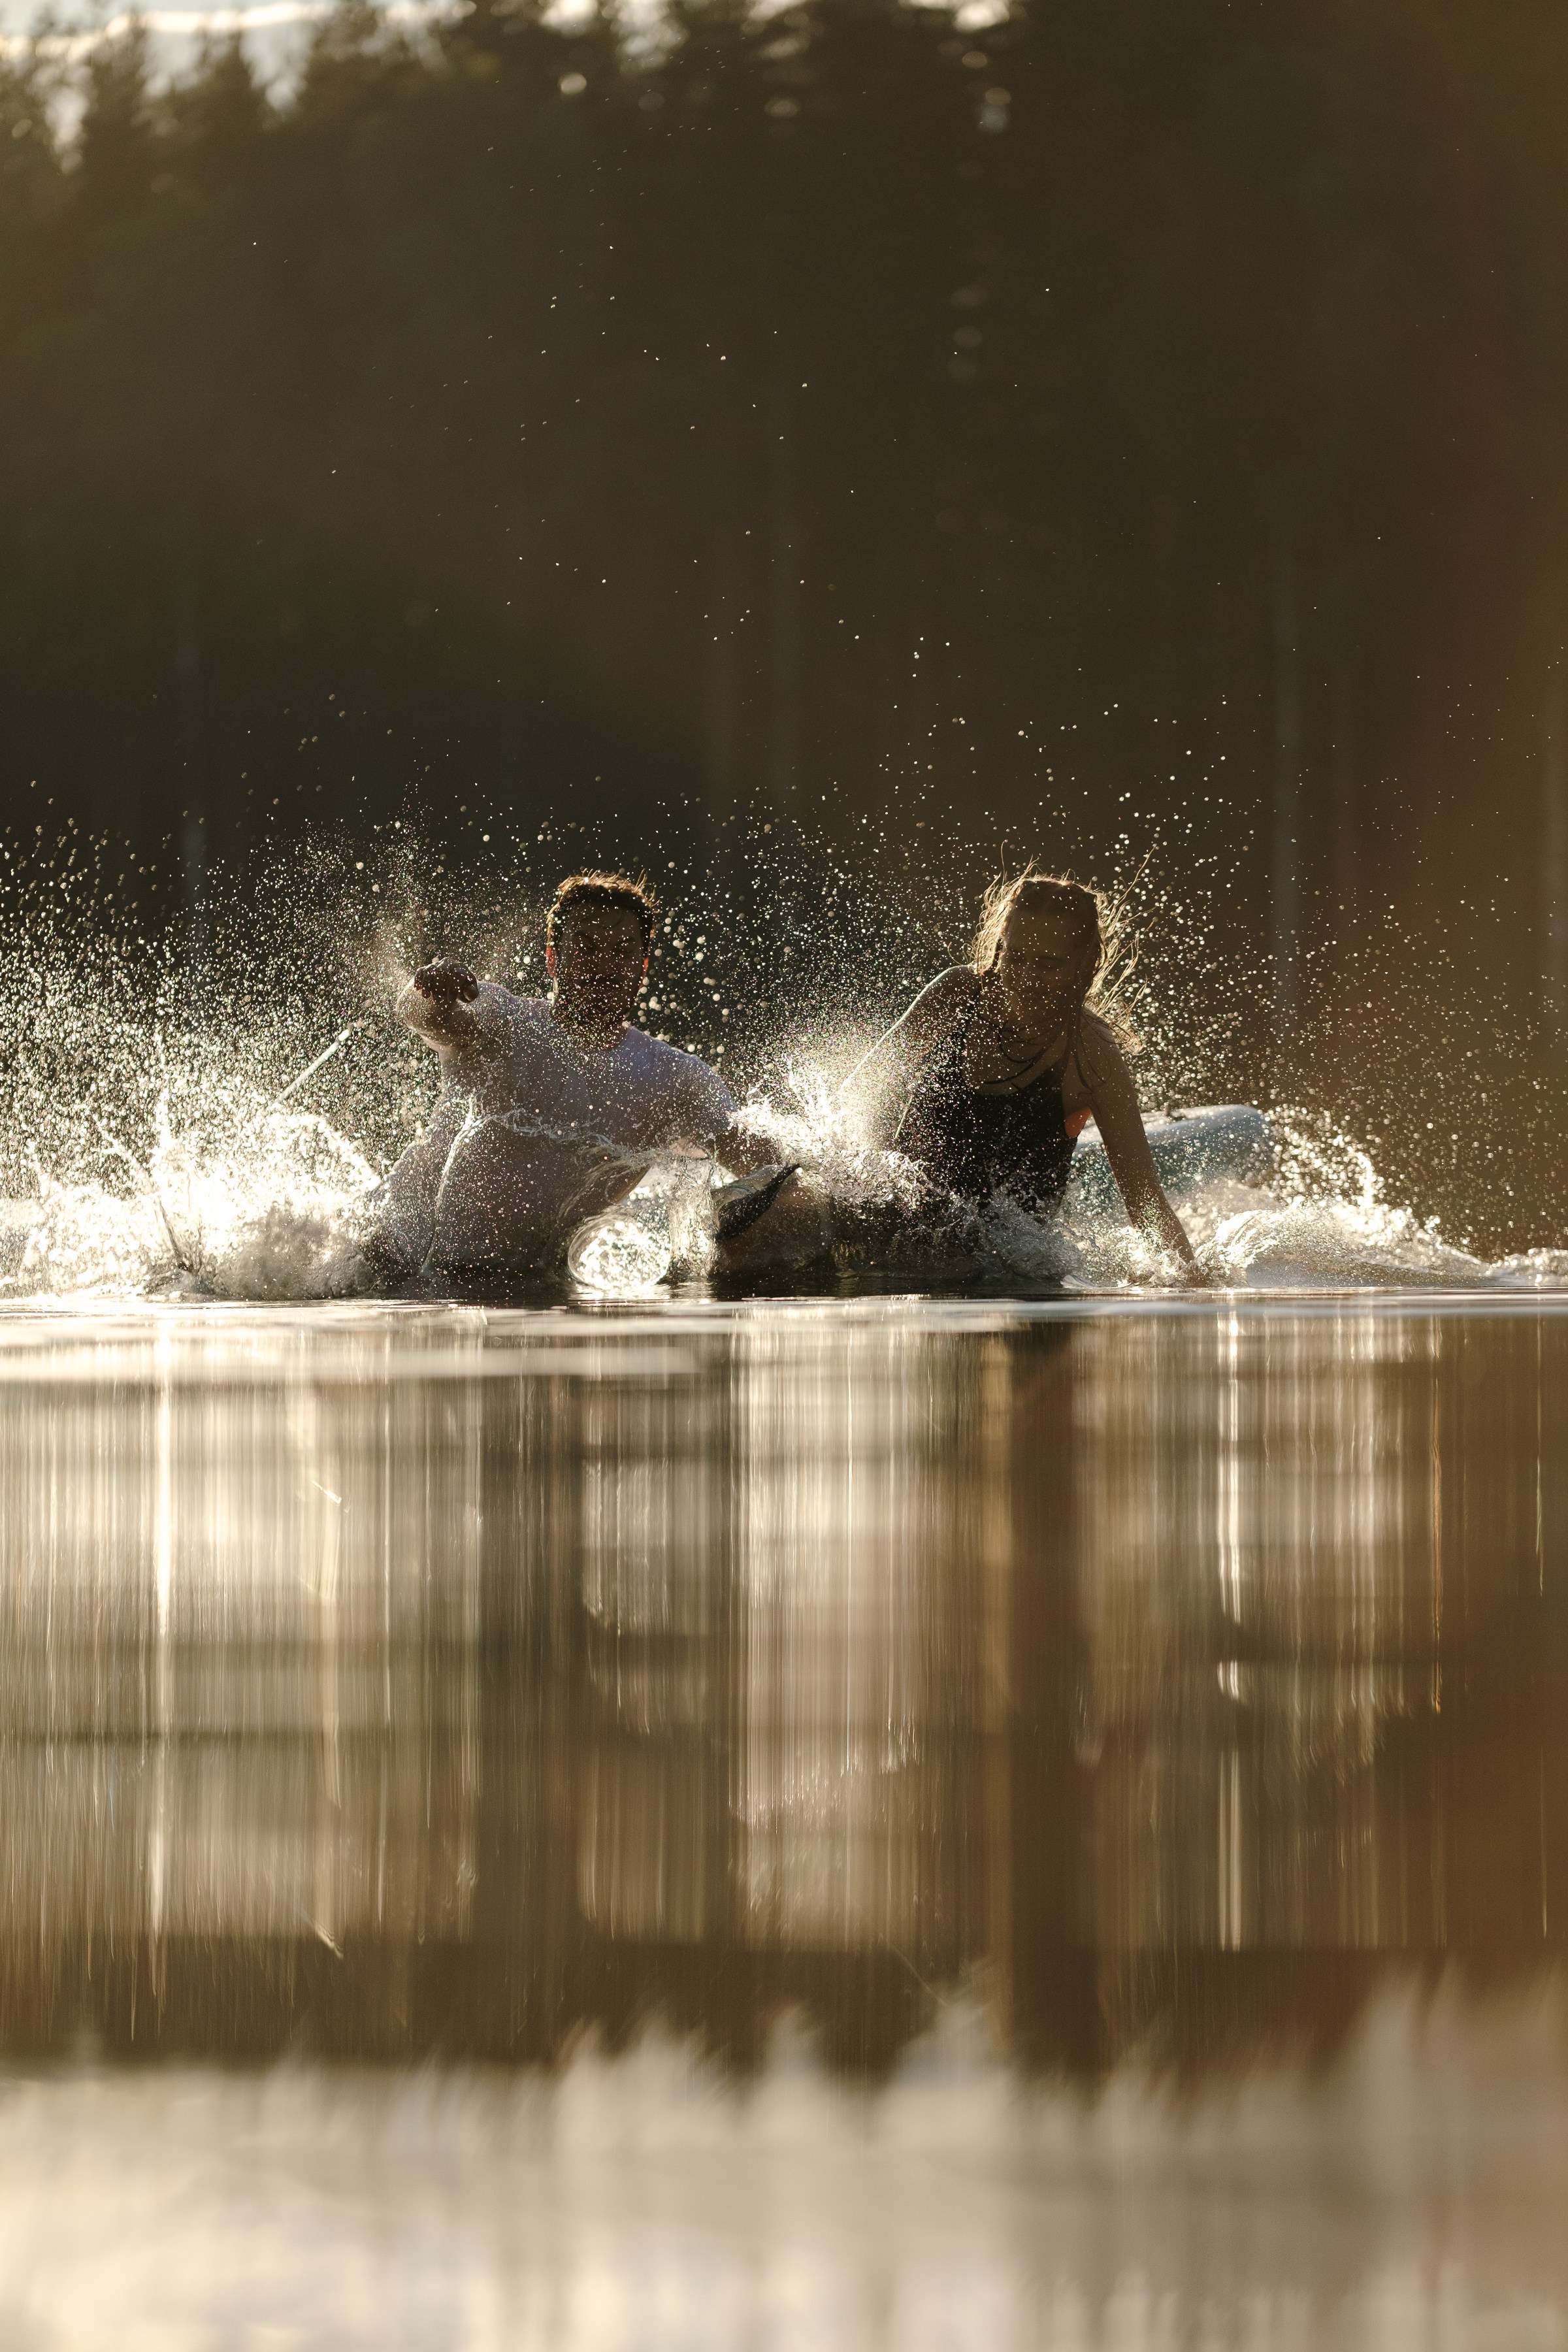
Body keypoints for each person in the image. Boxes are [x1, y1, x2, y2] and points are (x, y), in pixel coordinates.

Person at [362, 870, 777, 1281]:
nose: (605, 963)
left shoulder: (673, 1080)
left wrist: (821, 1189)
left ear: (643, 964)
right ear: (553, 958)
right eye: (587, 946)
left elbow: (764, 1166)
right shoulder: (505, 1024)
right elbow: (429, 1018)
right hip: (389, 1261)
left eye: (622, 950)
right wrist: (430, 990)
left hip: (517, 1281)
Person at [843, 866, 1201, 1275]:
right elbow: (857, 1102)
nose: (1025, 978)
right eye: (1015, 958)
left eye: (1048, 965)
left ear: (1084, 966)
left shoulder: (1094, 1057)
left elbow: (1144, 1199)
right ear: (999, 949)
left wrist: (1197, 1287)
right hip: (893, 1224)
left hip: (1006, 1261)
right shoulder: (957, 995)